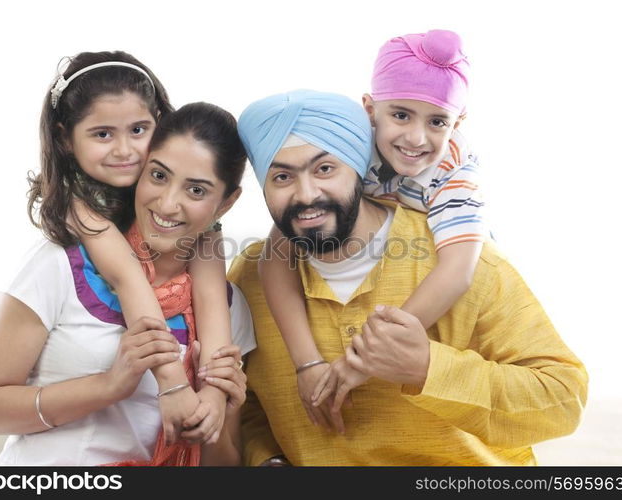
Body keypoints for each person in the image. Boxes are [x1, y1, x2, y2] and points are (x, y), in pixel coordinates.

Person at [231, 89, 588, 465]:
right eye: (282, 177)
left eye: (325, 169)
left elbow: (563, 401)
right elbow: (247, 403)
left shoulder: (464, 261)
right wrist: (267, 459)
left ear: (357, 166)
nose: (306, 195)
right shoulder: (249, 277)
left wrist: (427, 368)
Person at [0, 101, 254, 466]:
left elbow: (220, 469)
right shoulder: (60, 265)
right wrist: (110, 385)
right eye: (158, 176)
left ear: (226, 203)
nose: (167, 204)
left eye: (196, 191)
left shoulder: (228, 312)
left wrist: (221, 412)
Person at [256, 30, 488, 427]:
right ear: (369, 109)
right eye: (400, 115)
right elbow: (274, 257)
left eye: (437, 121)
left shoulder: (454, 171)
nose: (416, 138)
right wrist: (307, 362)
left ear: (458, 122)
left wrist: (362, 359)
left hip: (434, 275)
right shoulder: (348, 150)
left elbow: (458, 271)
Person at [28, 51, 235, 441]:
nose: (124, 150)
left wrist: (214, 390)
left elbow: (212, 298)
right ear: (65, 139)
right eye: (103, 134)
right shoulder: (80, 205)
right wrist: (172, 384)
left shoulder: (184, 196)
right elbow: (128, 280)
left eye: (138, 130)